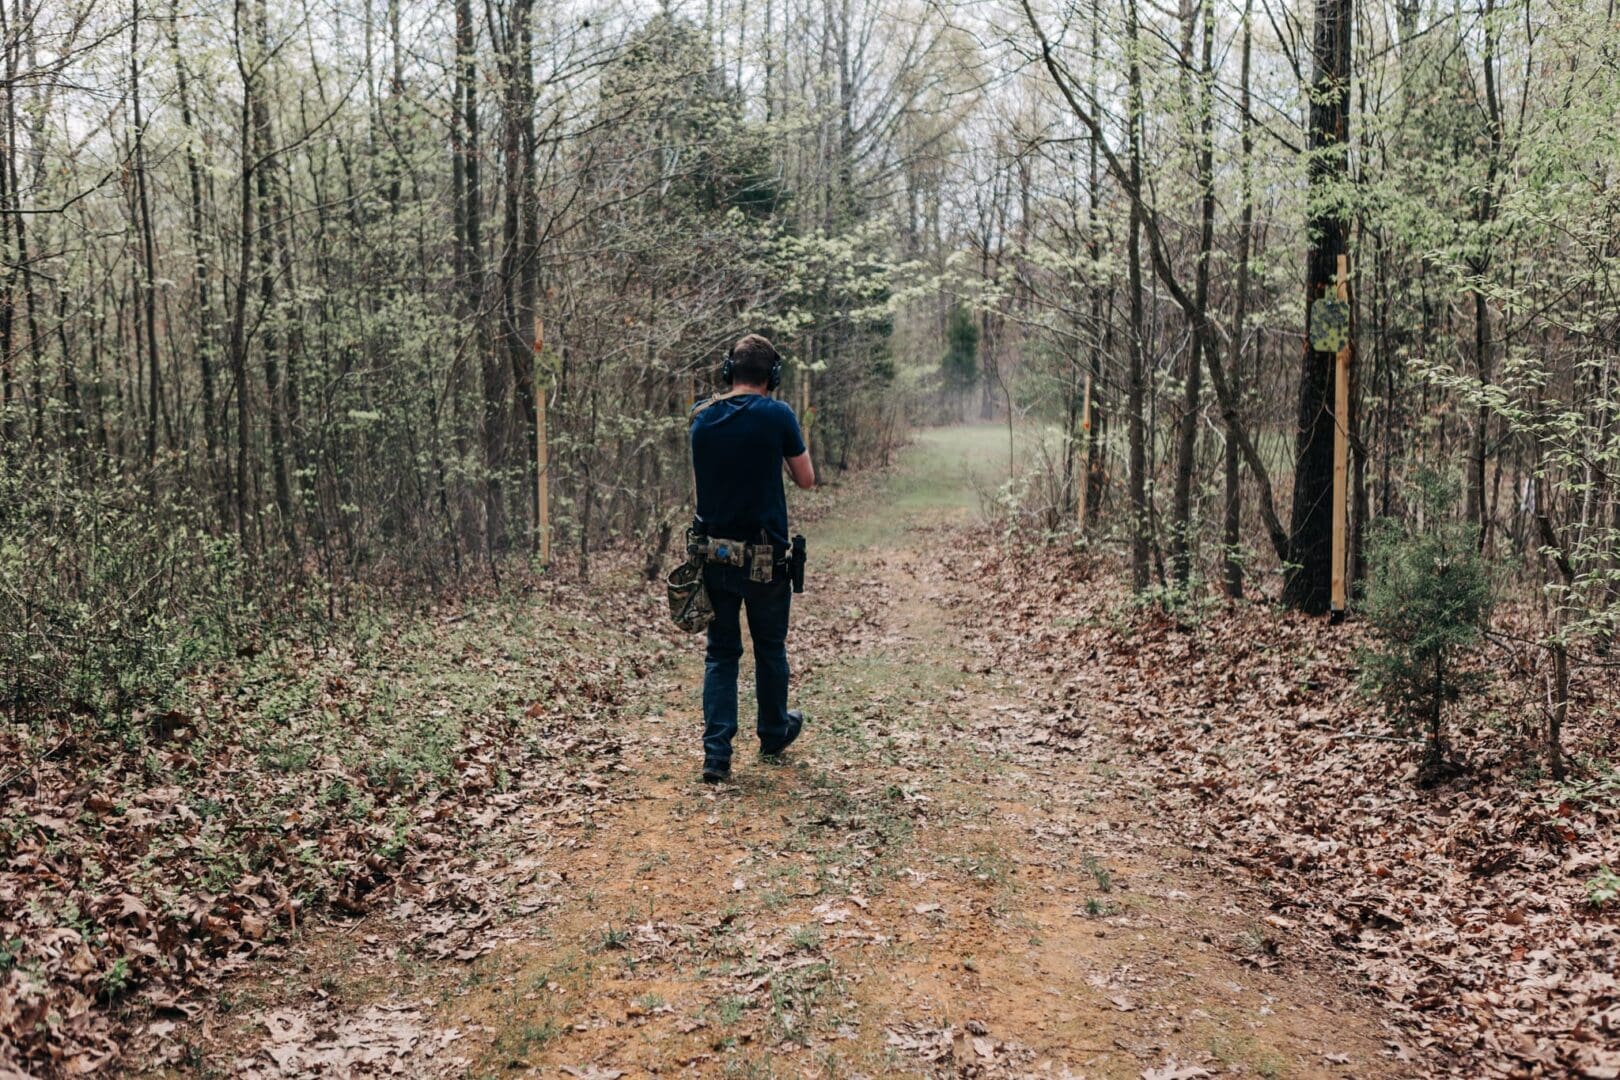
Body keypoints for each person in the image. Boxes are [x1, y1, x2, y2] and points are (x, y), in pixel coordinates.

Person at [688, 334, 815, 783]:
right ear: (771, 377)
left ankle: (716, 756)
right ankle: (773, 731)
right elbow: (806, 479)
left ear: (729, 371)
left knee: (721, 654)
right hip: (765, 557)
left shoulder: (701, 417)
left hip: (716, 554)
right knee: (769, 647)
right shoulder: (778, 414)